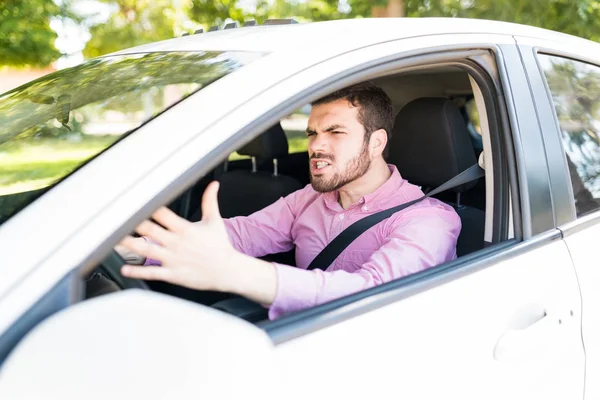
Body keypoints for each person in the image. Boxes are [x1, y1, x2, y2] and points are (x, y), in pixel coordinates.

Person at [117, 82, 461, 320]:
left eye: (335, 132)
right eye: (313, 133)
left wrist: (236, 273)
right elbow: (244, 233)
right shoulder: (311, 198)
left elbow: (368, 294)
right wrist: (138, 248)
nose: (316, 145)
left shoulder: (430, 221)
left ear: (376, 143)